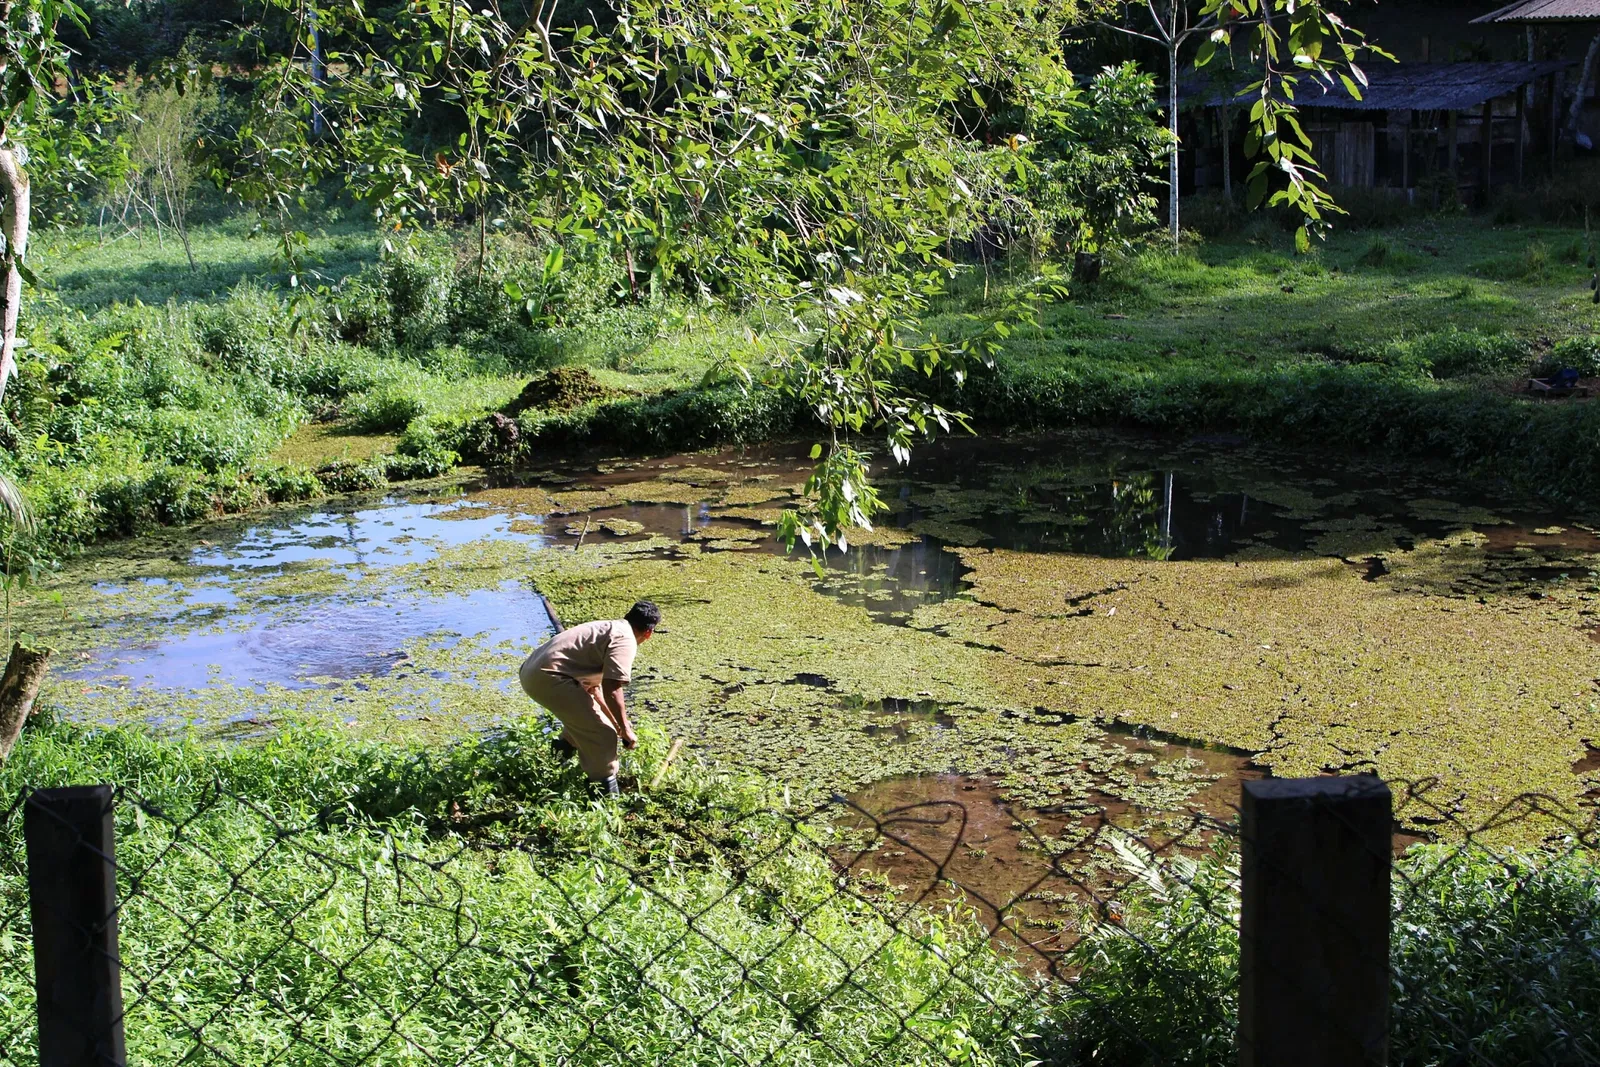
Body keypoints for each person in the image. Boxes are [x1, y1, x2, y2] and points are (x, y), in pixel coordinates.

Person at [519, 600, 661, 796]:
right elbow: (612, 688)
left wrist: (618, 724)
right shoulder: (626, 640)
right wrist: (626, 728)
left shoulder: (608, 627)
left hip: (531, 671)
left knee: (587, 724)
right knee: (602, 735)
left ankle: (550, 771)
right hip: (550, 678)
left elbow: (595, 689)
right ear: (649, 633)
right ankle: (605, 804)